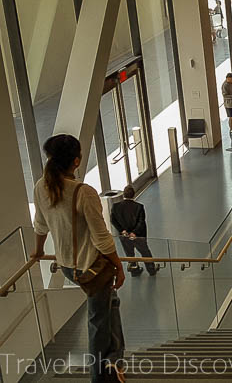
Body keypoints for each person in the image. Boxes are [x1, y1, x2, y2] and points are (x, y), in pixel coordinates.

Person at [30, 135, 127, 382]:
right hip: (91, 268)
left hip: (66, 265)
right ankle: (100, 375)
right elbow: (102, 238)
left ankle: (116, 359)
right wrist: (119, 266)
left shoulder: (41, 186)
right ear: (76, 161)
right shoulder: (83, 192)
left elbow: (40, 226)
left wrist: (39, 251)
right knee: (97, 323)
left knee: (109, 304)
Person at [111, 185, 157, 277]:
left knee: (129, 254)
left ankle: (134, 270)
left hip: (124, 236)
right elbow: (141, 222)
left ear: (124, 194)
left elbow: (113, 220)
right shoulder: (139, 207)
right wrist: (134, 232)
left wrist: (122, 230)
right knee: (145, 252)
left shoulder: (116, 207)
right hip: (138, 235)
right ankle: (151, 269)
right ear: (133, 194)